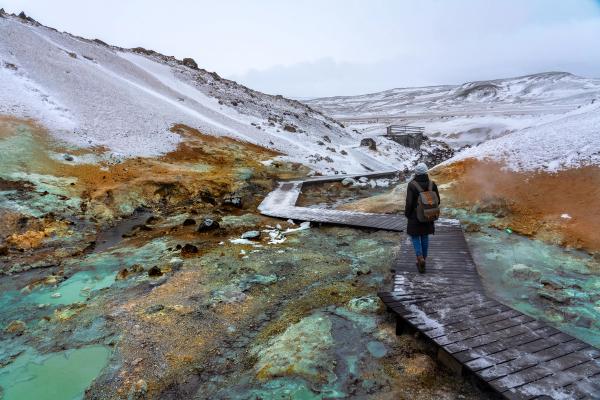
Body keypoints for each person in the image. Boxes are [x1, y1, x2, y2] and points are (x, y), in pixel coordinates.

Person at [404, 162, 440, 273]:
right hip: (428, 215)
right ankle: (424, 258)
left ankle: (420, 257)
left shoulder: (412, 184)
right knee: (424, 236)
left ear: (416, 172)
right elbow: (437, 201)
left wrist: (407, 213)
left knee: (415, 236)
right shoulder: (432, 184)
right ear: (426, 172)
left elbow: (409, 202)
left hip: (415, 216)